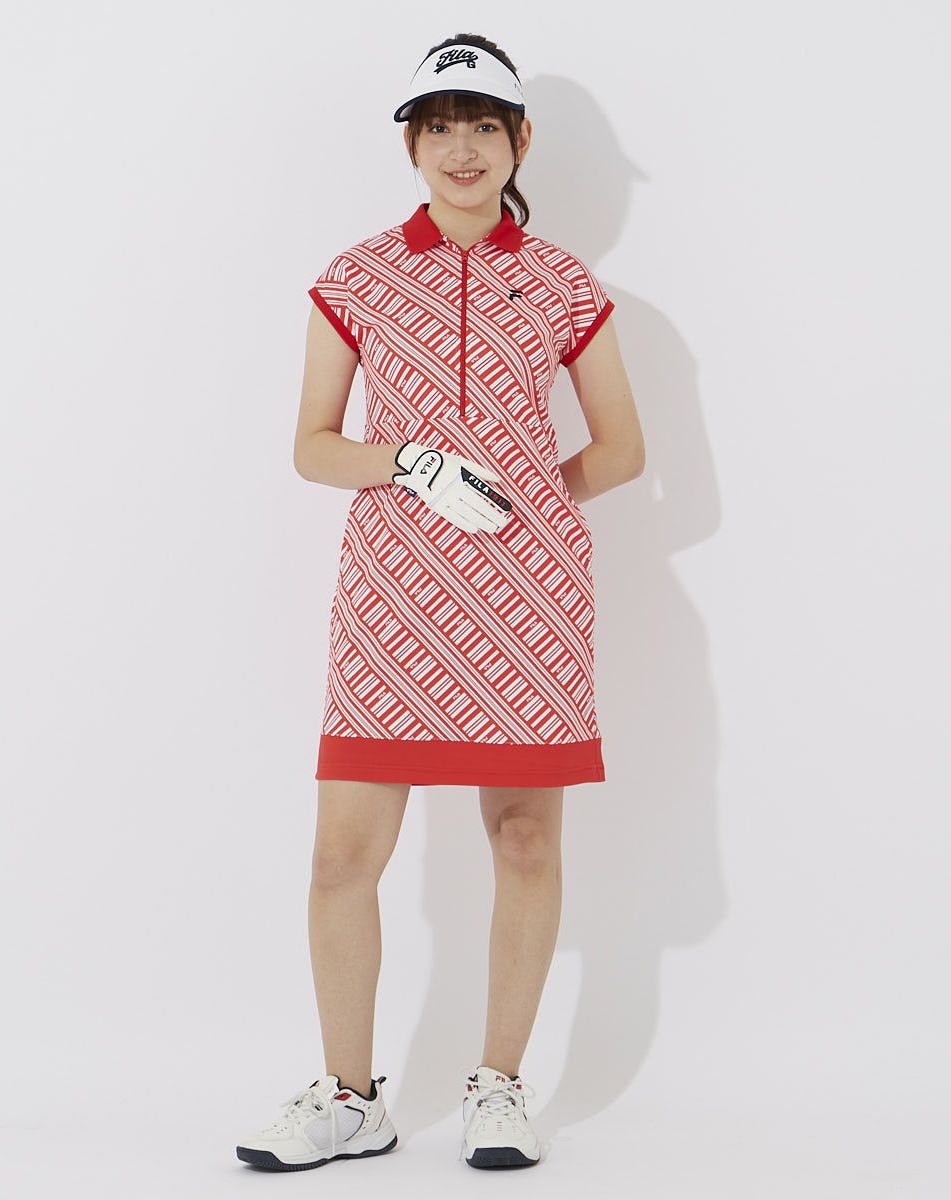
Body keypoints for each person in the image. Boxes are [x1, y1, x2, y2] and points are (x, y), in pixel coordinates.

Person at [235, 32, 645, 1173]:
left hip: (527, 603)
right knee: (340, 859)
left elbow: (620, 447)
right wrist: (409, 463)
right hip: (392, 602)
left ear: (520, 140)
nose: (461, 150)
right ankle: (350, 1098)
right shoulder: (357, 276)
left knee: (524, 840)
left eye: (483, 127)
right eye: (438, 127)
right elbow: (314, 445)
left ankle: (498, 1088)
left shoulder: (563, 283)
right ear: (412, 145)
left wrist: (529, 504)